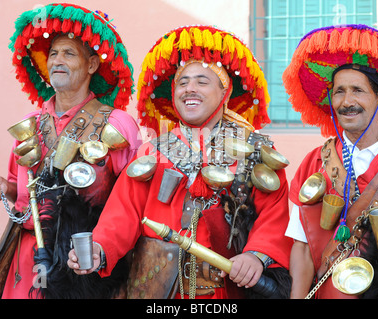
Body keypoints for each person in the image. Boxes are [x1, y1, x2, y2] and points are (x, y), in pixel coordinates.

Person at [68, 25, 294, 299]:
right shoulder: (153, 150)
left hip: (228, 291)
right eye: (183, 82)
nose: (190, 89)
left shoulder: (253, 151)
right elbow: (122, 213)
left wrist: (257, 256)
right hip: (157, 290)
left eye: (202, 81)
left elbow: (275, 215)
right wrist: (100, 248)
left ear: (225, 91)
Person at [0, 4, 140, 299]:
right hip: (27, 260)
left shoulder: (117, 124)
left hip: (85, 263)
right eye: (53, 53)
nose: (57, 60)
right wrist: (6, 187)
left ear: (91, 65)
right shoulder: (30, 127)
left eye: (68, 53)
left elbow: (132, 199)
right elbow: (24, 193)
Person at [282, 24, 378, 299]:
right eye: (339, 91)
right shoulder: (314, 161)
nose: (347, 101)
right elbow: (302, 246)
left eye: (358, 90)